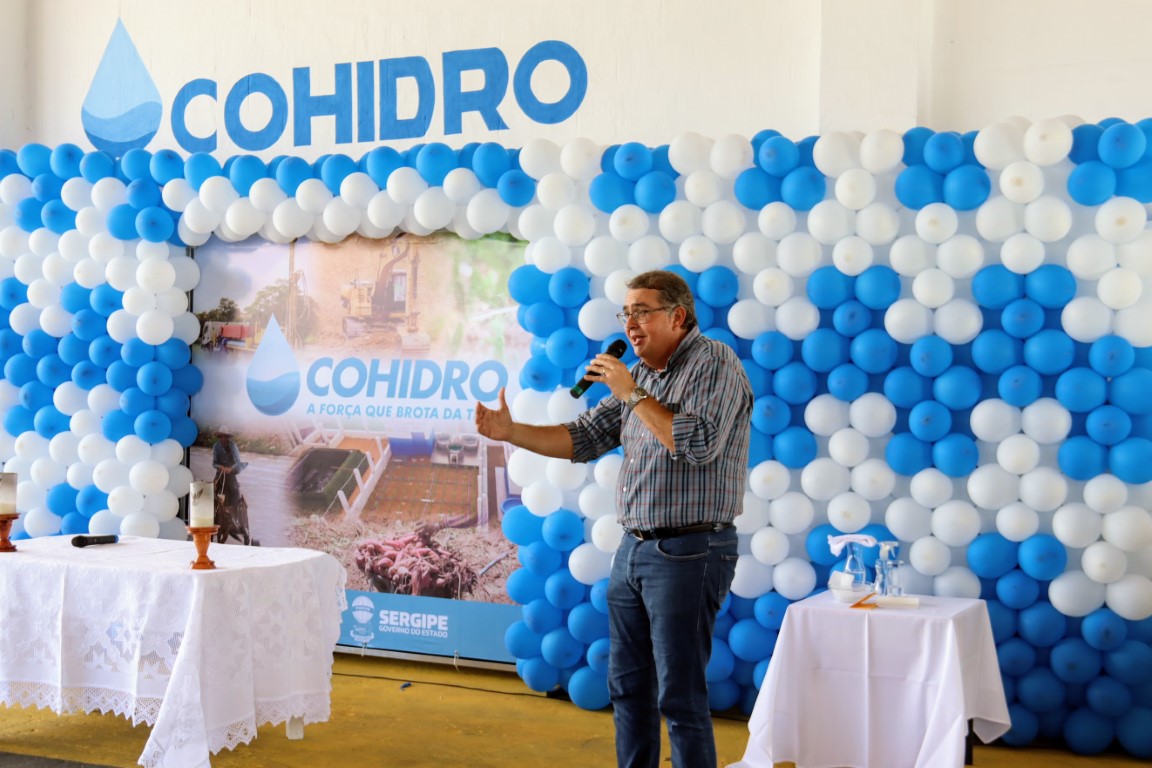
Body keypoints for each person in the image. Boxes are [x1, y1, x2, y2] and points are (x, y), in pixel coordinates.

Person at [476, 270, 752, 767]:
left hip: (690, 550)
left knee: (680, 696)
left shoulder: (714, 363)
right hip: (634, 548)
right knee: (628, 688)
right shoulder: (641, 375)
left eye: (642, 312)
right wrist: (512, 432)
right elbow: (583, 438)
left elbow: (697, 443)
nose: (630, 324)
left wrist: (631, 393)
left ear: (678, 316)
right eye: (626, 313)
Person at [212, 426, 249, 544]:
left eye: (225, 437)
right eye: (221, 436)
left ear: (228, 437)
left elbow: (238, 462)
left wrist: (230, 469)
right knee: (213, 496)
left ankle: (237, 521)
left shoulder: (232, 446)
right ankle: (212, 519)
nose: (223, 439)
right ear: (219, 437)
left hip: (231, 475)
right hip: (219, 475)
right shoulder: (216, 446)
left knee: (234, 493)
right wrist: (221, 467)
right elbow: (214, 463)